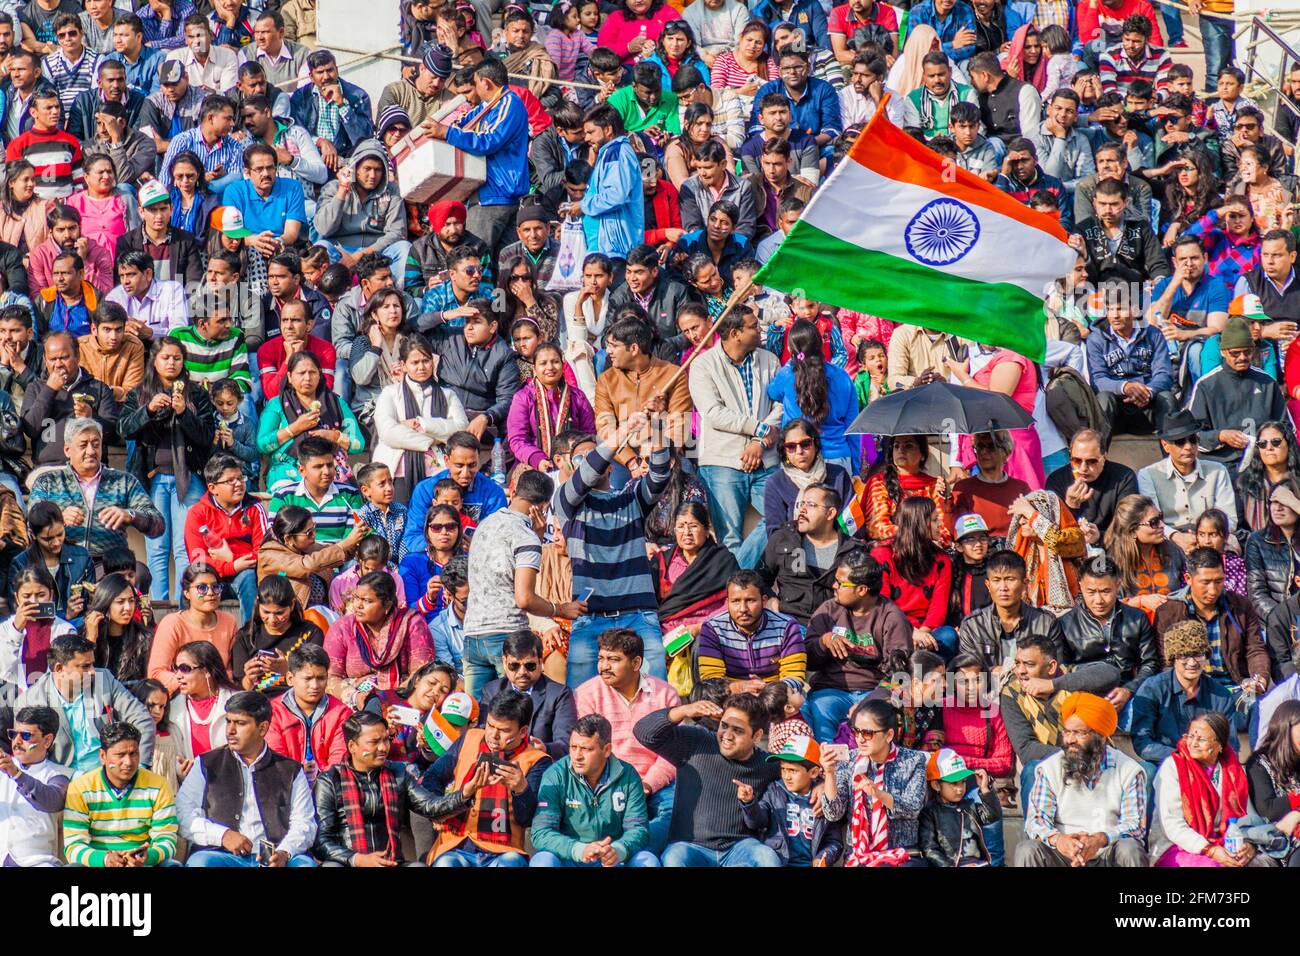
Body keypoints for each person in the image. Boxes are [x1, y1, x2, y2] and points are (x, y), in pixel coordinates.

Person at [555, 414, 673, 687]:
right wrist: (624, 431)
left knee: (655, 694)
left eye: (594, 456)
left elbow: (659, 476)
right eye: (579, 459)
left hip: (639, 615)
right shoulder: (567, 502)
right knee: (581, 702)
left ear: (610, 467)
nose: (588, 463)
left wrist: (655, 423)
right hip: (590, 619)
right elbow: (588, 472)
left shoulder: (631, 498)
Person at [461, 469, 581, 695]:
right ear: (543, 506)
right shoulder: (523, 537)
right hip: (506, 636)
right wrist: (560, 609)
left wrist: (535, 536)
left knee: (477, 716)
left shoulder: (485, 524)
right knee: (512, 717)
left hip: (473, 636)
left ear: (514, 491)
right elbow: (524, 598)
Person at [313, 710, 480, 867]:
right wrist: (357, 859)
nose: (383, 748)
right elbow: (321, 841)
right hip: (349, 862)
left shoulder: (398, 773)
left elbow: (430, 806)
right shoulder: (329, 781)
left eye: (385, 740)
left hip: (391, 862)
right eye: (374, 742)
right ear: (352, 746)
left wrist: (465, 794)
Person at [119, 335, 217, 602]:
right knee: (157, 547)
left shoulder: (196, 393)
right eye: (166, 357)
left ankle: (186, 604)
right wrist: (148, 410)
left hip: (189, 477)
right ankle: (159, 607)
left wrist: (185, 413)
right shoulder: (139, 392)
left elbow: (207, 436)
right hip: (151, 479)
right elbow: (124, 429)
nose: (171, 363)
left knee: (186, 547)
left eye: (177, 358)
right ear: (155, 360)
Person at [634, 694, 782, 867]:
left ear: (757, 736)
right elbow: (643, 732)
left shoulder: (768, 764)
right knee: (673, 859)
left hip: (739, 847)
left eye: (738, 730)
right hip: (690, 846)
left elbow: (805, 773)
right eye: (724, 726)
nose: (727, 735)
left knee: (767, 858)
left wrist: (817, 788)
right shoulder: (697, 742)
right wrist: (683, 710)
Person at [688, 307, 782, 566]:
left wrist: (759, 442)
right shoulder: (702, 365)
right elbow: (713, 413)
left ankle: (736, 579)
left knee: (781, 516)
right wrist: (760, 430)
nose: (759, 329)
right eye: (753, 326)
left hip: (766, 458)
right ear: (735, 333)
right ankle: (739, 591)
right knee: (729, 536)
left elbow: (781, 406)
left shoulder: (769, 360)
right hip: (722, 462)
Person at [573, 628, 680, 855]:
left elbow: (671, 754)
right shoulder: (586, 694)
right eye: (601, 658)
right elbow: (589, 750)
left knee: (673, 810)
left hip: (654, 782)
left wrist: (648, 784)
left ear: (636, 663)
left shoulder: (665, 695)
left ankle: (625, 851)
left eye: (613, 659)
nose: (604, 666)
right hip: (607, 782)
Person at [1017, 692, 1149, 867]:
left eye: (1079, 733)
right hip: (1063, 855)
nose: (1070, 740)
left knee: (1130, 848)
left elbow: (1135, 825)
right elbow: (1036, 821)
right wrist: (1059, 840)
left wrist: (1100, 838)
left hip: (1106, 854)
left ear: (1101, 737)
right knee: (1028, 849)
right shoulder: (1049, 768)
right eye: (1067, 732)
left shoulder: (1128, 770)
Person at [424, 688, 552, 867]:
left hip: (504, 851)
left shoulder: (537, 760)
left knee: (511, 863)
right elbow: (432, 777)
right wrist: (438, 812)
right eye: (490, 725)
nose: (493, 735)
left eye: (504, 730)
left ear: (523, 732)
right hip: (455, 844)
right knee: (446, 863)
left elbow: (527, 820)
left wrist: (521, 789)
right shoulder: (469, 737)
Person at [419, 57, 529, 257]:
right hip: (491, 194)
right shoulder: (487, 106)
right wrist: (445, 124)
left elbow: (489, 140)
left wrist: (446, 133)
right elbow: (464, 122)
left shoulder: (509, 103)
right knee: (499, 262)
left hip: (497, 195)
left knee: (475, 258)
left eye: (476, 84)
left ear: (485, 82)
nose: (476, 90)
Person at [803, 548, 913, 741]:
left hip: (875, 689)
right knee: (822, 710)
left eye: (840, 582)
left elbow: (899, 674)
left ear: (862, 589)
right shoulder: (828, 610)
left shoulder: (891, 617)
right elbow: (807, 661)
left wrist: (871, 701)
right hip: (831, 689)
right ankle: (828, 766)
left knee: (873, 720)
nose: (833, 586)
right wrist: (823, 642)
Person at [530, 714, 659, 867]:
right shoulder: (555, 775)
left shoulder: (628, 776)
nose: (577, 756)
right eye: (573, 747)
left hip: (612, 858)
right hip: (570, 857)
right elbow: (541, 833)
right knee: (542, 861)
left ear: (607, 750)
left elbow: (638, 829)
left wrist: (619, 849)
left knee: (647, 860)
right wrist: (579, 849)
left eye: (586, 749)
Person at [15, 634, 155, 773]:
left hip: (111, 776)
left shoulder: (104, 679)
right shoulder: (30, 701)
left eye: (93, 664)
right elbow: (30, 756)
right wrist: (73, 779)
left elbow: (142, 719)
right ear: (59, 669)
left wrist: (139, 768)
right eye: (85, 666)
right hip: (61, 782)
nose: (93, 672)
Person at [28, 418, 164, 560]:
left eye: (96, 445)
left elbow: (158, 525)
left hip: (108, 565)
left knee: (140, 573)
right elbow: (30, 526)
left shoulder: (123, 481)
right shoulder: (48, 481)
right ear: (67, 450)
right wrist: (57, 519)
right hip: (60, 562)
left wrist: (130, 515)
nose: (91, 451)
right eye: (83, 445)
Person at [1151, 711, 1271, 867]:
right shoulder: (1173, 767)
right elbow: (1172, 824)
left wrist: (1249, 845)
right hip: (1178, 846)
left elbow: (1248, 816)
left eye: (1201, 739)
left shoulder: (1233, 771)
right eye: (1190, 736)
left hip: (1226, 842)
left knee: (1263, 862)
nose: (1193, 743)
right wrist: (1210, 850)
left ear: (1219, 745)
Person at [1154, 548, 1272, 694]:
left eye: (1219, 581)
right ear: (1188, 579)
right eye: (1205, 582)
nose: (1213, 590)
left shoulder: (1240, 605)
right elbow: (1167, 662)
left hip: (1237, 687)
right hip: (1190, 690)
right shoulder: (1168, 613)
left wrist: (1259, 679)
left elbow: (1255, 649)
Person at [62, 721, 178, 867]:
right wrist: (105, 859)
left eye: (133, 753)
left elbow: (167, 839)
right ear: (103, 756)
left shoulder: (158, 785)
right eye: (120, 755)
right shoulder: (80, 788)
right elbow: (73, 846)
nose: (128, 762)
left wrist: (148, 857)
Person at [1057, 555, 1162, 714]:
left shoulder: (1136, 618)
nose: (1098, 600)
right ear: (1080, 587)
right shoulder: (1065, 624)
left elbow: (1150, 663)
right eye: (1091, 592)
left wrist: (1129, 690)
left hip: (1128, 694)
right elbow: (1062, 669)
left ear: (1118, 585)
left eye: (1106, 591)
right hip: (1083, 696)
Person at [1133, 618, 1240, 766]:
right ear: (1173, 658)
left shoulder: (1221, 695)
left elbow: (1230, 746)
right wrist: (1182, 757)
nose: (1192, 662)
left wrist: (1203, 758)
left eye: (1198, 654)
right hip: (1166, 764)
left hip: (1207, 765)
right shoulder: (1152, 689)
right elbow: (1142, 742)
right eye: (1184, 655)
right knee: (1147, 770)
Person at [323, 571, 434, 709]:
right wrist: (355, 696)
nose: (358, 605)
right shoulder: (343, 628)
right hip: (354, 704)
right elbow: (329, 678)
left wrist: (387, 697)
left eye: (367, 601)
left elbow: (422, 674)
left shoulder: (412, 624)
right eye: (356, 598)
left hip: (403, 700)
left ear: (387, 606)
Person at [839, 697, 928, 866]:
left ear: (889, 735)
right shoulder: (848, 760)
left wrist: (878, 794)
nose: (860, 739)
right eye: (856, 731)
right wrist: (828, 774)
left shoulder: (914, 760)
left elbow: (913, 808)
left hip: (903, 853)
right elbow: (834, 813)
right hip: (859, 854)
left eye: (867, 733)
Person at [1188, 316, 1287, 469]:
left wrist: (1267, 441)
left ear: (1253, 351)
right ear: (1223, 352)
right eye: (1235, 353)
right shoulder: (1206, 385)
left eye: (1247, 352)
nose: (1242, 357)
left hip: (1262, 462)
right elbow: (1192, 434)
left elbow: (1285, 427)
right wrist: (1220, 436)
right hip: (1220, 464)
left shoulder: (1267, 382)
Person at [257, 353, 365, 493]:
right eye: (301, 373)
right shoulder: (277, 405)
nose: (307, 378)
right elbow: (262, 444)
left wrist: (333, 436)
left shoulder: (337, 404)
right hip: (288, 470)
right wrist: (295, 428)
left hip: (330, 469)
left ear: (319, 375)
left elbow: (359, 444)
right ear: (290, 377)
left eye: (312, 372)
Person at [760, 483, 859, 627]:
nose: (802, 510)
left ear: (830, 513)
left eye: (811, 505)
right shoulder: (783, 538)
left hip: (832, 627)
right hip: (787, 625)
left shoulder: (851, 550)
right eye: (802, 504)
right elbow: (760, 579)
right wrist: (770, 598)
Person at [872, 496, 959, 658]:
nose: (940, 524)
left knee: (948, 636)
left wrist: (922, 635)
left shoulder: (942, 559)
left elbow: (938, 609)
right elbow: (881, 603)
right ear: (918, 523)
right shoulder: (883, 554)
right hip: (890, 627)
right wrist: (910, 632)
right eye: (934, 520)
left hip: (927, 632)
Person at [183, 453, 265, 623]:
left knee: (248, 577)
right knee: (188, 581)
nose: (239, 484)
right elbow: (198, 560)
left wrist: (232, 560)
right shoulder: (197, 512)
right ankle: (187, 635)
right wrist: (230, 566)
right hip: (210, 575)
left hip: (244, 574)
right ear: (212, 488)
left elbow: (263, 552)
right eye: (230, 481)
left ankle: (250, 638)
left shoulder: (255, 507)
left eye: (240, 478)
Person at [1136, 410, 1237, 543]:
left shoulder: (1218, 471)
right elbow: (1152, 521)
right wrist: (1175, 537)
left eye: (1193, 440)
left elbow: (1230, 519)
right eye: (1180, 442)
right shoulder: (1148, 475)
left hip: (1211, 539)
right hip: (1168, 540)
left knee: (1233, 545)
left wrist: (1203, 536)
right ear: (1165, 445)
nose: (1188, 447)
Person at [697, 570, 807, 690]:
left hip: (776, 697)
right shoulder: (713, 629)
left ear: (764, 601)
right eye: (736, 601)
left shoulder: (787, 627)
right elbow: (711, 681)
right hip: (730, 697)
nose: (743, 609)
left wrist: (767, 691)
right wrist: (740, 687)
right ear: (727, 602)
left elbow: (794, 677)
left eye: (750, 600)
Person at [959, 550, 1064, 675]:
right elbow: (968, 674)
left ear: (1025, 584)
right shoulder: (973, 625)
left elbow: (1056, 670)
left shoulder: (1046, 622)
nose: (1003, 588)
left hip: (1034, 689)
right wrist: (993, 672)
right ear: (988, 585)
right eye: (996, 580)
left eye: (1010, 579)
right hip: (987, 690)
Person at [477, 631, 577, 761]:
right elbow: (482, 735)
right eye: (514, 666)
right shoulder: (492, 690)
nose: (522, 672)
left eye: (530, 666)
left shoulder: (559, 694)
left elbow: (566, 744)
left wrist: (545, 749)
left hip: (539, 764)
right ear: (504, 662)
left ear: (541, 662)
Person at [146, 563, 238, 693]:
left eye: (216, 587)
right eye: (202, 588)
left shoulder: (229, 621)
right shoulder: (172, 623)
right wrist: (197, 685)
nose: (211, 593)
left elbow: (229, 671)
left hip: (220, 695)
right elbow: (156, 673)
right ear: (187, 593)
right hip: (182, 697)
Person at [256, 504, 366, 611]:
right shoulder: (269, 554)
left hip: (321, 614)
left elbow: (331, 553)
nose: (314, 536)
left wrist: (356, 542)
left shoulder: (303, 546)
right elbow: (306, 565)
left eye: (314, 528)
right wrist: (345, 543)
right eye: (309, 533)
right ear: (288, 539)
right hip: (291, 620)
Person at [0, 704, 72, 867]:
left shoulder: (60, 775)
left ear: (47, 740)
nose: (17, 742)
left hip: (37, 863)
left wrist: (16, 774)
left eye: (25, 735)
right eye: (13, 734)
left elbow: (52, 800)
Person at [232, 575, 325, 697]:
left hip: (297, 700)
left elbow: (316, 680)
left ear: (291, 605)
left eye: (279, 613)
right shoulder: (245, 637)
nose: (272, 619)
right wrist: (249, 678)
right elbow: (241, 690)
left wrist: (287, 669)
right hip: (259, 703)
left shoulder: (310, 633)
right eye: (266, 612)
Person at [7, 500, 94, 626]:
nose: (57, 542)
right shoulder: (21, 563)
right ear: (32, 534)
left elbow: (90, 607)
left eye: (60, 534)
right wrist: (65, 616)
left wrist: (93, 599)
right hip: (35, 628)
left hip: (76, 627)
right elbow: (18, 612)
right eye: (48, 539)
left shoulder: (82, 557)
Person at [855, 435, 951, 544]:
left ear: (922, 454)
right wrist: (916, 536)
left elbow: (944, 531)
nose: (901, 450)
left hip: (928, 549)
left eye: (908, 446)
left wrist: (946, 498)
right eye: (896, 446)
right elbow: (877, 528)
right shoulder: (880, 482)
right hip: (892, 549)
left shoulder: (933, 485)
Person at [1044, 428, 1138, 540]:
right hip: (1069, 548)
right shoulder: (1056, 480)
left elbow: (1128, 526)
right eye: (1076, 461)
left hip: (1112, 547)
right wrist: (1070, 507)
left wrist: (1100, 537)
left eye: (1091, 461)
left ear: (1104, 457)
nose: (1083, 468)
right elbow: (1052, 531)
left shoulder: (1123, 477)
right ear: (1070, 455)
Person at [0, 567, 76, 692]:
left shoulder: (65, 629)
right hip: (16, 698)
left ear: (51, 595)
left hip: (55, 698)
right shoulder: (6, 628)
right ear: (17, 598)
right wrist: (16, 630)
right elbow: (4, 671)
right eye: (26, 596)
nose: (34, 601)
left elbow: (70, 673)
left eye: (41, 595)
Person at [1244, 699, 1300, 868]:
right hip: (1281, 839)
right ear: (1286, 728)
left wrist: (1297, 815)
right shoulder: (1259, 763)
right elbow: (1267, 808)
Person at [950, 431, 1032, 540]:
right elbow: (955, 528)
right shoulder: (963, 489)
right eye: (979, 446)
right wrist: (945, 498)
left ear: (1006, 452)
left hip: (1015, 551)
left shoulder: (1021, 488)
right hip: (978, 550)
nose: (983, 451)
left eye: (991, 446)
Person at [1246, 481, 1300, 620]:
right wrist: (1283, 619)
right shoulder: (1257, 541)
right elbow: (1257, 594)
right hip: (1276, 622)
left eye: (1285, 502)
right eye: (1274, 502)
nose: (1278, 508)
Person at [76, 301, 143, 406]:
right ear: (94, 329)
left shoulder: (133, 346)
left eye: (118, 330)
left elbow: (132, 393)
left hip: (120, 407)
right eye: (107, 330)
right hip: (85, 406)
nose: (113, 337)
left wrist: (104, 392)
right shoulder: (79, 347)